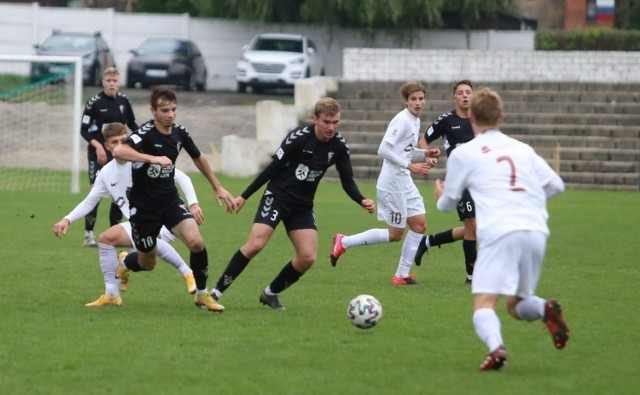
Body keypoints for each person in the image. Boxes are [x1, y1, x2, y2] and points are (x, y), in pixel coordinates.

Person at [434, 87, 569, 371]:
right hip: (535, 230)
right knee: (517, 305)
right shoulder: (523, 149)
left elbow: (447, 206)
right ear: (501, 117)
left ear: (471, 117)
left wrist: (440, 195)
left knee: (484, 302)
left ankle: (497, 350)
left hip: (500, 231)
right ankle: (545, 309)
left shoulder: (464, 153)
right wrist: (527, 201)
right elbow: (556, 185)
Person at [210, 97, 375, 310]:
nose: (331, 127)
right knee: (255, 245)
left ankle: (270, 293)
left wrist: (361, 200)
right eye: (326, 121)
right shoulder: (298, 138)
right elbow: (272, 169)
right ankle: (215, 293)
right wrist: (244, 196)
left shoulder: (339, 146)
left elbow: (347, 181)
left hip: (302, 206)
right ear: (315, 119)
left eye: (335, 122)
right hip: (277, 197)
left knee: (307, 257)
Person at [112, 87, 235, 313]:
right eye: (165, 110)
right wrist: (152, 158)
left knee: (196, 242)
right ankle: (124, 262)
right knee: (147, 263)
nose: (170, 114)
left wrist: (217, 187)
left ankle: (201, 295)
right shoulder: (144, 133)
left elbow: (199, 158)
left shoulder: (180, 133)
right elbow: (119, 151)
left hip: (169, 201)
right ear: (153, 111)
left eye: (173, 109)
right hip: (143, 207)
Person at [52, 123, 199, 307]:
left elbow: (182, 177)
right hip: (140, 222)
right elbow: (91, 201)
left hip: (166, 217)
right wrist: (67, 219)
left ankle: (187, 273)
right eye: (114, 142)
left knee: (129, 239)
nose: (120, 144)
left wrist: (193, 204)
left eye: (123, 140)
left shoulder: (143, 161)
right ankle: (114, 290)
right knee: (131, 253)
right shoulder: (106, 173)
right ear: (107, 146)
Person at [329, 80, 439, 285]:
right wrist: (410, 166)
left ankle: (401, 275)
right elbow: (383, 150)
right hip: (392, 185)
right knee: (395, 234)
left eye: (421, 98)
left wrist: (425, 153)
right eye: (413, 99)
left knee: (419, 225)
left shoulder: (415, 120)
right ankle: (343, 242)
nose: (418, 102)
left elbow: (403, 149)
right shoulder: (402, 120)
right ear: (406, 101)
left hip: (404, 182)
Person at [415, 80, 476, 284]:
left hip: (482, 180)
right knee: (473, 226)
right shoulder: (446, 120)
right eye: (461, 93)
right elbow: (423, 140)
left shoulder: (481, 119)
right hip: (460, 180)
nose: (465, 95)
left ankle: (429, 241)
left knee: (477, 229)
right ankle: (471, 277)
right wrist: (427, 156)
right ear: (455, 98)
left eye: (468, 92)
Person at [80, 67, 138, 247]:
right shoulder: (93, 102)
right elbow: (84, 129)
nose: (112, 84)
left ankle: (115, 233)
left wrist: (142, 141)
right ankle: (89, 235)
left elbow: (132, 124)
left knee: (118, 195)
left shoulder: (124, 101)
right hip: (98, 154)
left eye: (115, 81)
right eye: (108, 81)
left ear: (118, 82)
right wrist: (98, 146)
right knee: (95, 194)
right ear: (103, 82)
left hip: (119, 154)